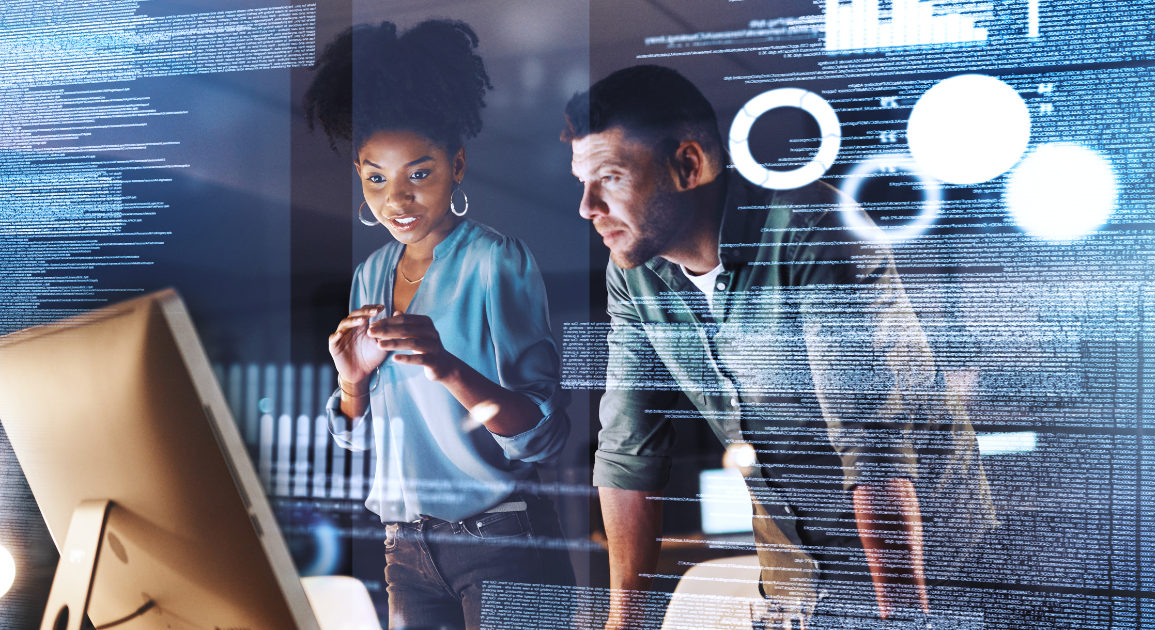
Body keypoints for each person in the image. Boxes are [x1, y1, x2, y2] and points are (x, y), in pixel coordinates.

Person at [564, 65, 996, 628]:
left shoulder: (815, 224)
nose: (587, 207)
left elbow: (874, 451)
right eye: (581, 183)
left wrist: (904, 620)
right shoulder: (636, 272)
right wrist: (626, 622)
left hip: (927, 569)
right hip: (796, 578)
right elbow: (628, 452)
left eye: (610, 178)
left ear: (687, 165)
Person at [305, 20, 574, 630]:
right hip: (404, 549)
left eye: (417, 173)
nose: (396, 199)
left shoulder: (495, 260)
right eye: (376, 178)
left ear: (456, 165)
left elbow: (541, 433)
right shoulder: (369, 275)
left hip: (502, 539)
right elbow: (361, 443)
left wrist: (448, 365)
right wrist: (353, 386)